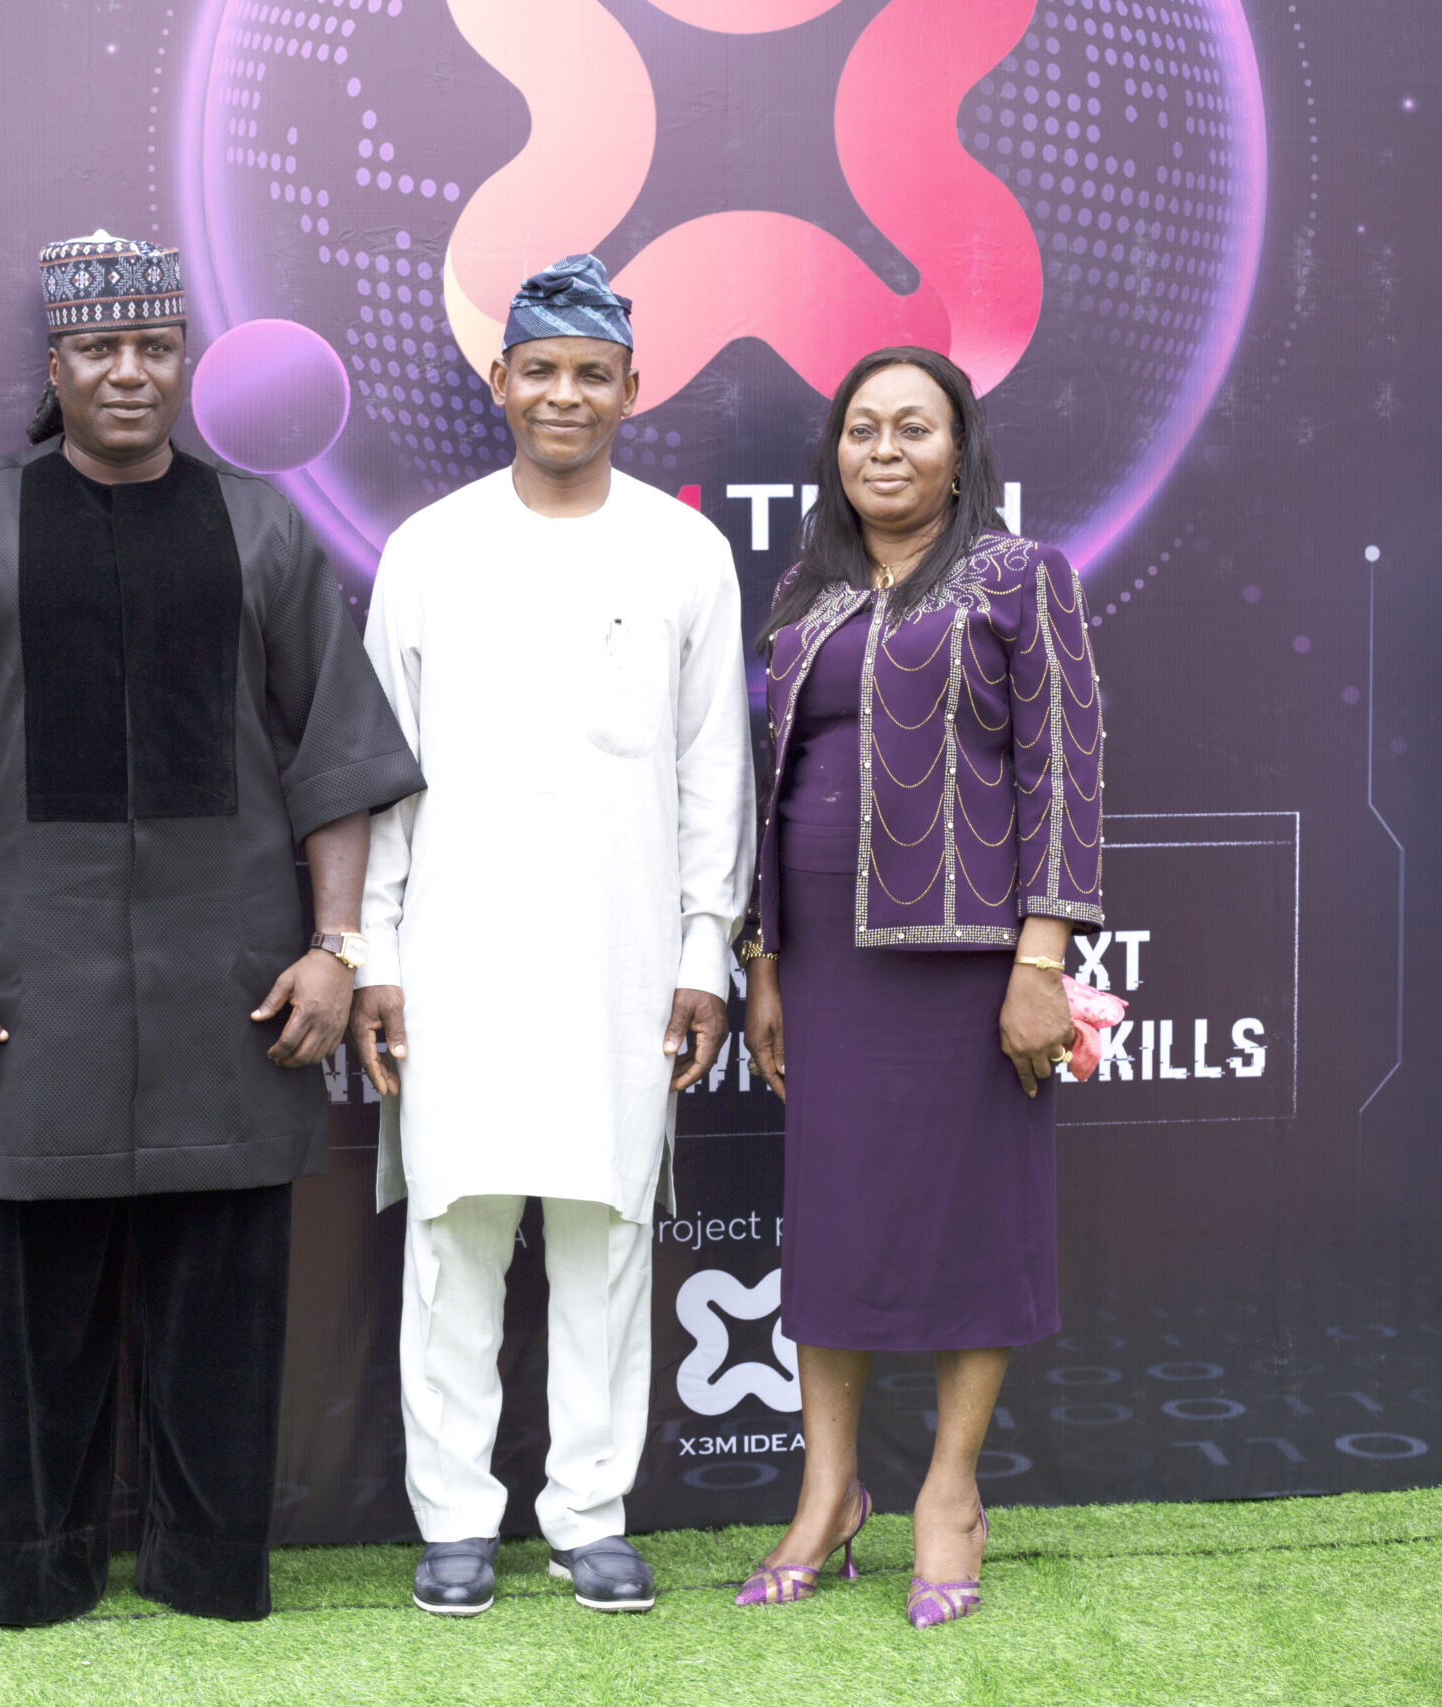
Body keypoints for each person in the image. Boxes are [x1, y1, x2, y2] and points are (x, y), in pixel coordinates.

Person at [0, 230, 424, 1627]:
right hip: (33, 983)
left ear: (185, 361)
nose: (128, 371)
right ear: (54, 366)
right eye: (99, 348)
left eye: (154, 346)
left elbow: (336, 753)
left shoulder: (261, 523)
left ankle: (207, 1564)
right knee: (38, 1299)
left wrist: (334, 946)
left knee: (222, 1291)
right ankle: (34, 1570)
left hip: (232, 974)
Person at [348, 254, 756, 1617]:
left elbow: (716, 774)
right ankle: (454, 1516)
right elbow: (381, 776)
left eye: (592, 373)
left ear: (632, 387)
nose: (564, 394)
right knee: (455, 1234)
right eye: (541, 370)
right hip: (454, 952)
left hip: (625, 954)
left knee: (603, 1231)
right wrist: (375, 952)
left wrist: (707, 948)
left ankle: (591, 1512)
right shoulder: (429, 548)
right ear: (499, 381)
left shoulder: (684, 550)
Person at [736, 345, 1102, 1629]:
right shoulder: (803, 593)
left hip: (967, 964)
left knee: (968, 1218)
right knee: (831, 1221)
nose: (882, 450)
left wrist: (1040, 962)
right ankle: (828, 1492)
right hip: (822, 965)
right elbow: (763, 792)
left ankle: (950, 1490)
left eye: (913, 429)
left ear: (961, 452)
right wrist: (764, 961)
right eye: (860, 429)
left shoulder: (1017, 577)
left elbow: (1064, 773)